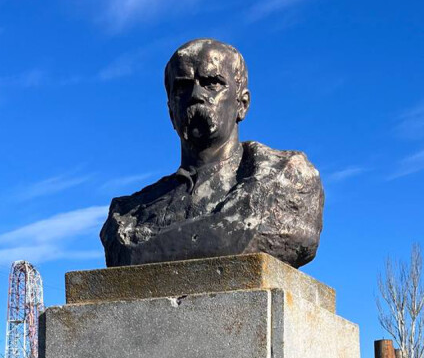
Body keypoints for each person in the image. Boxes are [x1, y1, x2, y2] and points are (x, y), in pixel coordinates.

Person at [100, 38, 324, 269]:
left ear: (242, 104)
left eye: (212, 83)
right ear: (170, 111)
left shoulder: (287, 181)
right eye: (183, 86)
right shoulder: (128, 214)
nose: (196, 94)